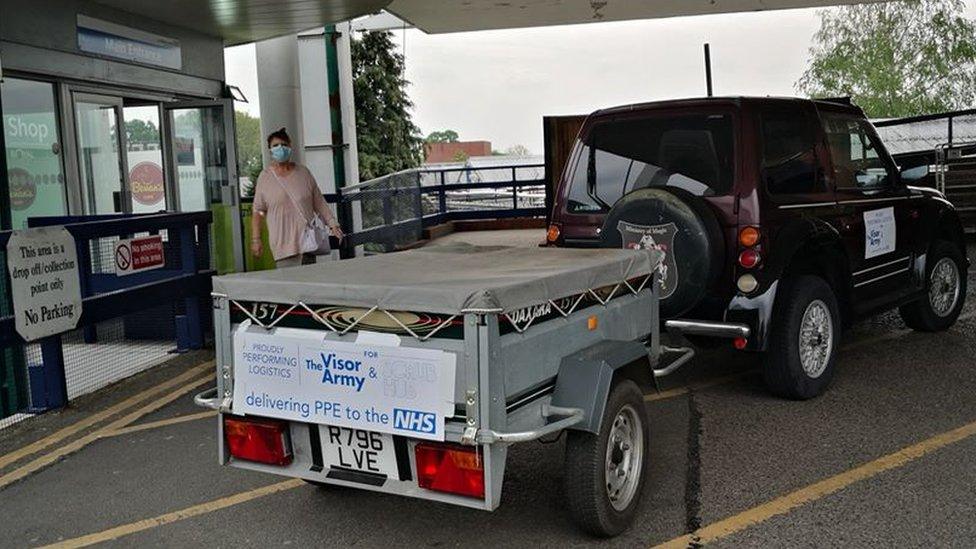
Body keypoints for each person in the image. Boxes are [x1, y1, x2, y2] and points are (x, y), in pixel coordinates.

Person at [251, 128, 344, 268]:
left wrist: (332, 224)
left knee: (310, 287)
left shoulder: (303, 173)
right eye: (275, 146)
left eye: (284, 144)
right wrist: (256, 239)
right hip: (283, 246)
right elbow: (258, 211)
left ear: (290, 146)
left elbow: (318, 202)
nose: (280, 148)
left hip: (307, 243)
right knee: (290, 287)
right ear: (270, 151)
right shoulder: (265, 178)